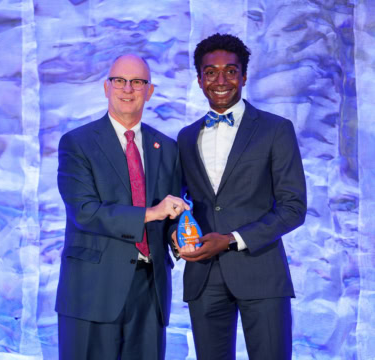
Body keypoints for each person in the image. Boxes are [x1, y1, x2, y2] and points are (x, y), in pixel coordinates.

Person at [176, 33, 307, 360]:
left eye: (230, 71)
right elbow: (178, 204)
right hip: (203, 277)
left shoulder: (275, 129)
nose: (221, 80)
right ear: (199, 79)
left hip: (261, 272)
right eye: (211, 72)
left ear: (244, 76)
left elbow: (293, 207)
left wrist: (233, 239)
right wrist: (177, 239)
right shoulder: (186, 136)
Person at [55, 54, 189, 360]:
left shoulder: (166, 147)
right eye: (119, 80)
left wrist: (179, 238)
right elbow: (85, 212)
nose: (127, 89)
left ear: (150, 91)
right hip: (92, 291)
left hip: (149, 289)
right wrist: (152, 213)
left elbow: (171, 213)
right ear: (106, 87)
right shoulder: (77, 143)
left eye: (138, 82)